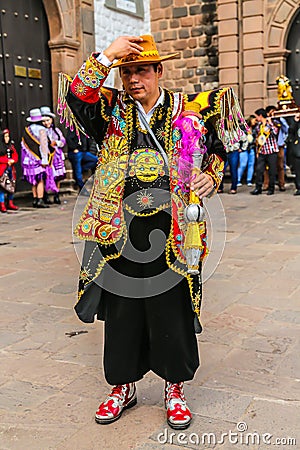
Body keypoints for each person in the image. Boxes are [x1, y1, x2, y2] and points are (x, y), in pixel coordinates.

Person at [59, 35, 233, 430]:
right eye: (127, 72)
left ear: (159, 71)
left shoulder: (189, 111)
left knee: (171, 306)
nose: (134, 79)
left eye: (141, 70)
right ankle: (123, 385)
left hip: (173, 227)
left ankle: (174, 386)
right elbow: (77, 97)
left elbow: (219, 149)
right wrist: (107, 56)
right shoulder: (109, 110)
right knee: (122, 308)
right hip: (119, 226)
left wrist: (211, 175)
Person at [21, 108, 58, 208]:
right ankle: (40, 200)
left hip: (29, 159)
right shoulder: (42, 130)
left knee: (34, 180)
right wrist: (44, 159)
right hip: (39, 159)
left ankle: (35, 199)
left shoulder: (27, 130)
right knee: (40, 180)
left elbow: (24, 146)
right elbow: (43, 146)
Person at [41, 106, 66, 204]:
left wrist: (56, 143)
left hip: (57, 156)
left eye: (48, 120)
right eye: (44, 121)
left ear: (51, 119)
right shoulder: (41, 131)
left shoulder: (56, 130)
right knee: (46, 175)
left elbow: (63, 141)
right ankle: (45, 196)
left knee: (58, 177)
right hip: (47, 156)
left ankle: (56, 195)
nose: (46, 123)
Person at [250, 108, 279, 195]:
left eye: (256, 116)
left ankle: (271, 188)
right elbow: (256, 139)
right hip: (262, 151)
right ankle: (258, 188)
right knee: (259, 170)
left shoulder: (271, 124)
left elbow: (275, 132)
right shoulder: (259, 126)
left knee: (272, 171)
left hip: (271, 151)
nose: (256, 118)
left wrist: (269, 123)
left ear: (260, 116)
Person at [265, 105, 289, 191]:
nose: (273, 113)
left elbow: (287, 130)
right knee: (267, 166)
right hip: (269, 146)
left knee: (280, 165)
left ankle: (281, 183)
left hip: (279, 146)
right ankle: (266, 184)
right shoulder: (266, 121)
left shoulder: (280, 120)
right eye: (271, 111)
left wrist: (280, 120)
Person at [66, 128, 98, 193]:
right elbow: (68, 138)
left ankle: (81, 169)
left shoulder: (85, 128)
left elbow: (88, 139)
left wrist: (87, 149)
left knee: (96, 160)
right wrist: (74, 148)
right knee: (78, 169)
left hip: (84, 152)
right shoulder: (73, 127)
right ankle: (82, 188)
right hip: (76, 152)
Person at [0, 129, 19, 212]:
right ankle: (2, 204)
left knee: (11, 186)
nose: (7, 138)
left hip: (11, 169)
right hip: (3, 169)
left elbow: (15, 155)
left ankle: (10, 203)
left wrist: (13, 160)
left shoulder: (11, 146)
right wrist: (6, 161)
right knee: (2, 187)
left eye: (8, 136)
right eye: (5, 136)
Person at [237, 115, 256, 187]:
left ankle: (249, 180)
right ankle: (238, 179)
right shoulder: (242, 128)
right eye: (254, 120)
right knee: (243, 164)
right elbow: (239, 138)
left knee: (251, 164)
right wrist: (239, 147)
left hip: (251, 148)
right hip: (243, 149)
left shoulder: (254, 129)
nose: (255, 121)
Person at [286, 112, 300, 195]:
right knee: (298, 171)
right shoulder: (296, 123)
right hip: (298, 151)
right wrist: (295, 121)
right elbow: (290, 132)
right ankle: (299, 187)